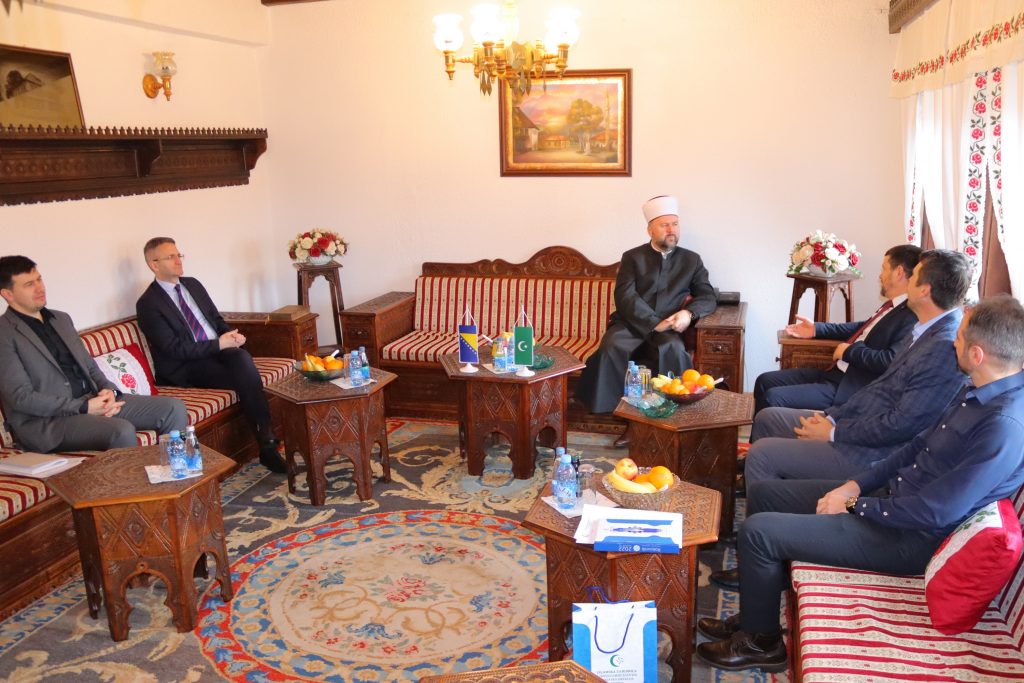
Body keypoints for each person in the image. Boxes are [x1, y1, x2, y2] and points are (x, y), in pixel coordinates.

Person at [697, 295, 1024, 674]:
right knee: (768, 494)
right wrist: (855, 485)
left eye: (960, 336)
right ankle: (760, 607)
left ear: (978, 355)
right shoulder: (977, 391)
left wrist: (855, 505)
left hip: (911, 538)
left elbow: (936, 511)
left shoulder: (1003, 426)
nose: (954, 341)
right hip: (893, 501)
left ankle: (762, 643)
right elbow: (915, 447)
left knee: (759, 533)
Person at [713, 248, 972, 589]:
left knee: (761, 454)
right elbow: (878, 390)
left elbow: (902, 425)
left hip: (869, 452)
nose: (907, 279)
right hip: (854, 421)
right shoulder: (926, 329)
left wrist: (834, 432)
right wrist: (832, 419)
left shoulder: (943, 345)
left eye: (915, 275)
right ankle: (755, 533)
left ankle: (766, 561)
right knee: (769, 418)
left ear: (924, 289)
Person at [0, 256, 186, 453]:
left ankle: (177, 468)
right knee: (120, 430)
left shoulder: (61, 319)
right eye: (29, 284)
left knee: (173, 408)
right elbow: (21, 397)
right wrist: (83, 407)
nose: (40, 288)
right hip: (49, 422)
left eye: (39, 279)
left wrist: (110, 392)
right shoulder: (5, 333)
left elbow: (89, 366)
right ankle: (131, 475)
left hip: (92, 401)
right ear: (7, 294)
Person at [135, 238, 286, 473]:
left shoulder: (192, 284)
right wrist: (219, 344)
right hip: (187, 366)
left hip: (217, 351)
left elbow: (215, 319)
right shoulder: (148, 303)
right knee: (246, 374)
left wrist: (231, 336)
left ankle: (267, 445)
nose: (178, 261)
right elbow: (175, 349)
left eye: (179, 255)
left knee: (241, 359)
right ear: (154, 264)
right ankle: (268, 444)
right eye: (171, 257)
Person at [575, 195, 717, 419]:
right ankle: (612, 413)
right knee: (612, 347)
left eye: (675, 224)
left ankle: (672, 413)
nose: (671, 230)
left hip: (669, 327)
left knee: (673, 349)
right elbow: (625, 295)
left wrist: (688, 313)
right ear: (650, 230)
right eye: (664, 225)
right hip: (631, 323)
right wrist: (653, 323)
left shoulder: (692, 260)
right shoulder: (632, 257)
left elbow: (708, 295)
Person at [753, 244, 921, 415]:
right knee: (764, 381)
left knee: (773, 397)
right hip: (836, 373)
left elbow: (890, 361)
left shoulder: (911, 314)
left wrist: (848, 351)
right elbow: (862, 328)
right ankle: (758, 433)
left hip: (849, 387)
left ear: (899, 272)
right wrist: (817, 329)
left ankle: (772, 432)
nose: (880, 275)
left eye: (884, 268)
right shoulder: (893, 306)